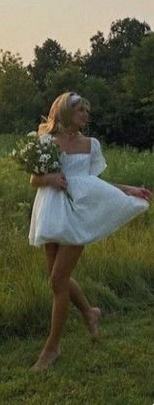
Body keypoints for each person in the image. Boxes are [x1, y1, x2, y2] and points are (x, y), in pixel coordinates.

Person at [28, 91, 153, 373]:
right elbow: (35, 179)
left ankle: (52, 347)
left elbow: (94, 183)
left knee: (59, 280)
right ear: (64, 112)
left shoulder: (90, 145)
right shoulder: (47, 142)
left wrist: (127, 189)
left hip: (79, 214)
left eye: (87, 110)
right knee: (55, 279)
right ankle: (90, 312)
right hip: (51, 209)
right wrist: (51, 178)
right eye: (80, 110)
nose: (86, 114)